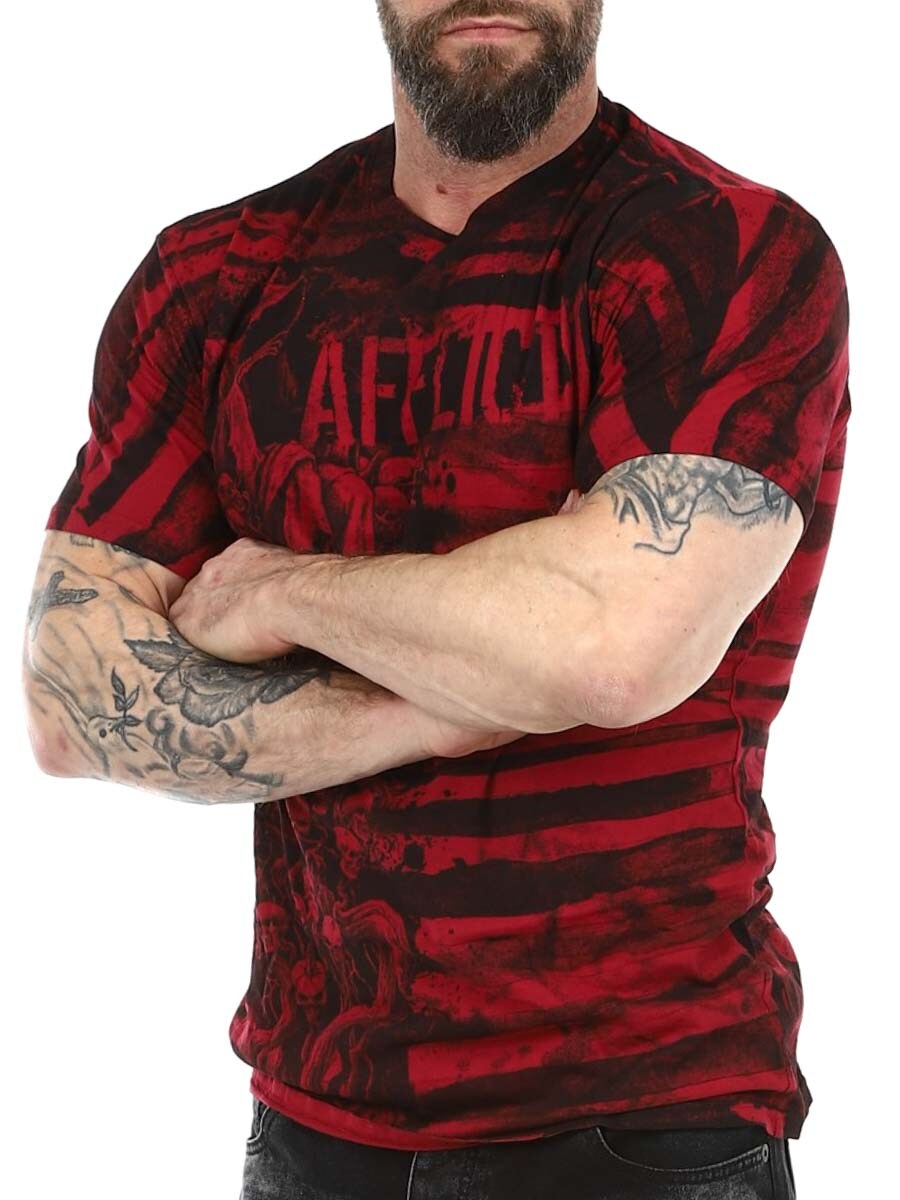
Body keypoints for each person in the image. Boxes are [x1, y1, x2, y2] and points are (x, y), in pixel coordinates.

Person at [22, 1, 850, 1196]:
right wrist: (472, 694)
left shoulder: (724, 250)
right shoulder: (218, 273)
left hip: (645, 1115)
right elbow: (70, 700)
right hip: (311, 1121)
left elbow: (612, 647)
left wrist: (279, 589)